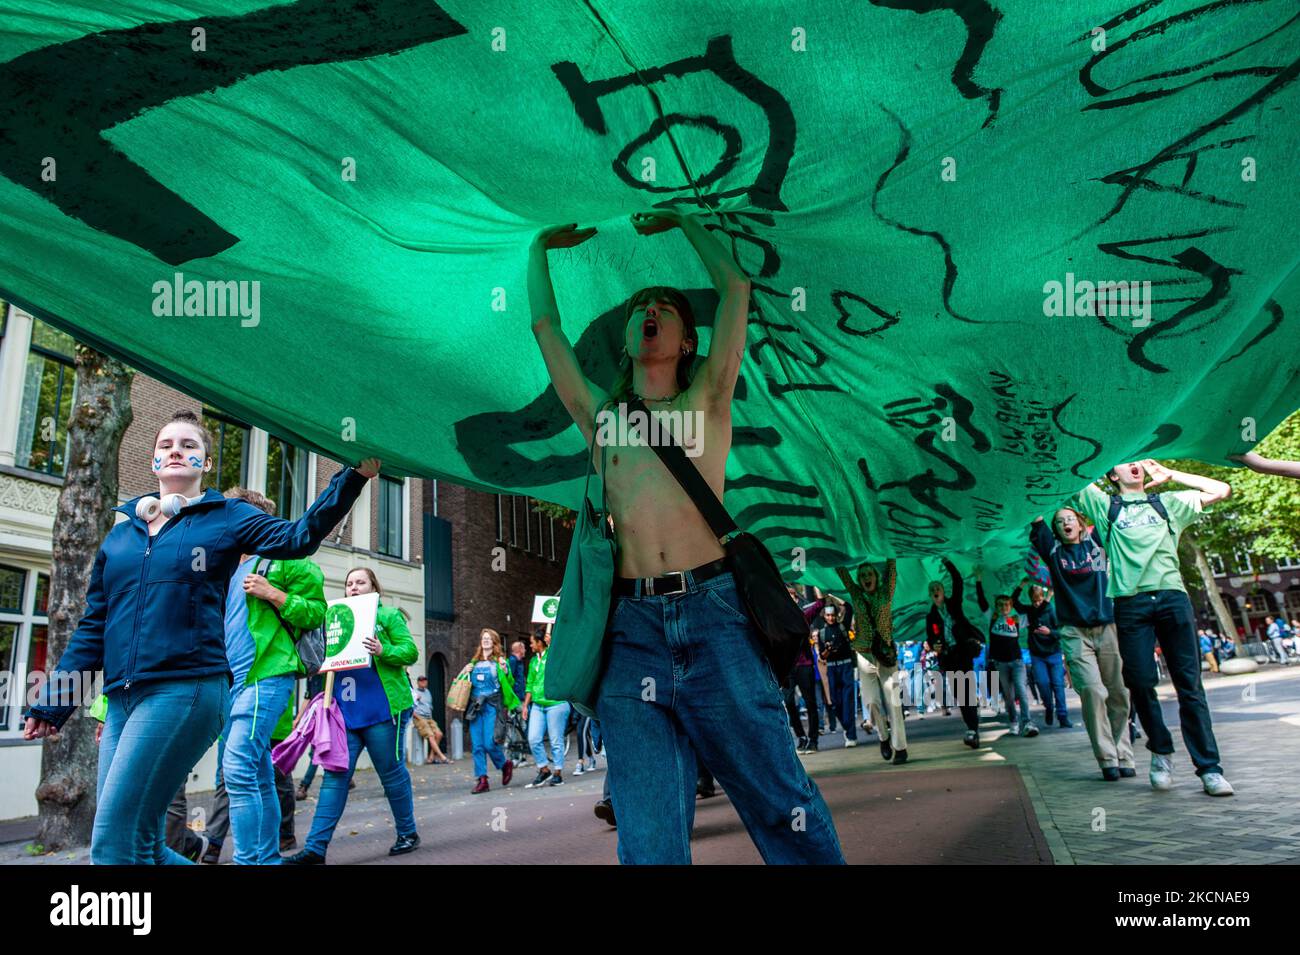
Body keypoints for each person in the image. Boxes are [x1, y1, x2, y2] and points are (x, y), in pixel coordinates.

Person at [529, 214, 843, 864]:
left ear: (685, 339)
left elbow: (734, 286)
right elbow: (546, 330)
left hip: (716, 619)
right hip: (631, 635)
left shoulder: (709, 397)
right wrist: (537, 250)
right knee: (647, 844)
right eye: (639, 307)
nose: (649, 311)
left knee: (782, 802)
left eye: (663, 308)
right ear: (626, 339)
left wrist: (686, 221)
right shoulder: (604, 418)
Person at [22, 410, 377, 864]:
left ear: (205, 464)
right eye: (167, 444)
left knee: (111, 844)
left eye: (189, 445)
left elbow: (298, 538)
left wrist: (353, 477)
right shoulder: (120, 537)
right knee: (144, 844)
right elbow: (93, 627)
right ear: (153, 461)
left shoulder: (227, 517)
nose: (176, 450)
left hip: (187, 689)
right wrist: (54, 701)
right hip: (123, 699)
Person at [1070, 459, 1234, 796]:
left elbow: (1221, 489)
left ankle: (1209, 769)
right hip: (1131, 605)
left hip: (1173, 599)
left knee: (1190, 685)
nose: (1134, 466)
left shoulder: (1168, 502)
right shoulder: (1104, 506)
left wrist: (1171, 475)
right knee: (1141, 683)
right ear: (1111, 474)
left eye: (1137, 462)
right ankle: (1161, 753)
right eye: (1124, 462)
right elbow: (1070, 474)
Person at [214, 487, 326, 865]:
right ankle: (266, 858)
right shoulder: (225, 568)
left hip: (268, 676)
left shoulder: (286, 559)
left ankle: (248, 861)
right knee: (259, 773)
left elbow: (315, 614)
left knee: (238, 766)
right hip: (230, 685)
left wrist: (274, 595)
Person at [286, 567, 421, 863]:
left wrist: (383, 650)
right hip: (345, 714)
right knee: (334, 777)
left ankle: (407, 833)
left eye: (361, 582)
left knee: (391, 773)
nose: (354, 587)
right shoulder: (335, 618)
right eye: (349, 583)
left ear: (374, 587)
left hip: (384, 711)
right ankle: (315, 849)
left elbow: (410, 652)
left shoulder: (387, 616)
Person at [1030, 510, 1133, 781]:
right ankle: (1107, 758)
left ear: (1080, 522)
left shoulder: (1097, 543)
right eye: (1059, 521)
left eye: (1070, 518)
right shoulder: (1053, 552)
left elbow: (1108, 509)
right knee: (1092, 690)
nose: (1066, 523)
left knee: (1118, 691)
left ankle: (1124, 753)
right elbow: (1035, 512)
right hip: (1074, 631)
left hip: (1107, 626)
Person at [837, 560, 907, 763]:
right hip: (864, 656)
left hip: (886, 656)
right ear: (859, 580)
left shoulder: (886, 593)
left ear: (877, 576)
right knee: (871, 703)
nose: (867, 578)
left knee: (894, 703)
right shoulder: (856, 594)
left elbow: (892, 569)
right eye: (863, 575)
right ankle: (883, 737)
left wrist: (889, 550)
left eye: (870, 574)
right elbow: (841, 570)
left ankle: (900, 748)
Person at [926, 560, 985, 747]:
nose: (936, 591)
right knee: (961, 695)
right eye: (933, 589)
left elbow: (958, 581)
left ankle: (972, 729)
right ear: (931, 595)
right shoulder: (931, 616)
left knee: (967, 690)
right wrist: (934, 645)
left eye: (938, 588)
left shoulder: (954, 605)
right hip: (948, 658)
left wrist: (948, 563)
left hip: (963, 653)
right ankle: (971, 726)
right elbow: (930, 637)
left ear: (943, 592)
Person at [977, 580, 1038, 738]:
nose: (1004, 607)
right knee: (1008, 696)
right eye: (1000, 605)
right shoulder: (992, 618)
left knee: (1021, 690)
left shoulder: (1016, 620)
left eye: (1007, 605)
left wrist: (1022, 587)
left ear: (1011, 607)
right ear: (996, 607)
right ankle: (1013, 721)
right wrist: (978, 580)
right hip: (1001, 664)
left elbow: (1034, 612)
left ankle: (1027, 722)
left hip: (1017, 662)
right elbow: (982, 601)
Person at [464, 628, 520, 794]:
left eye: (489, 639)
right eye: (483, 638)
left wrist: (506, 670)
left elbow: (509, 682)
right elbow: (467, 685)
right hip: (476, 707)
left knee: (490, 743)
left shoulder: (500, 662)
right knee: (477, 746)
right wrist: (466, 672)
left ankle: (504, 764)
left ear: (494, 642)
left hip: (491, 707)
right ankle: (482, 780)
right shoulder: (473, 663)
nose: (485, 641)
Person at [1012, 581, 1071, 727]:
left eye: (1039, 600)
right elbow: (1014, 602)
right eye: (1034, 601)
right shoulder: (1029, 611)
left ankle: (1063, 716)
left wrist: (1050, 632)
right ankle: (1049, 707)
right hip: (1037, 655)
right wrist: (1021, 585)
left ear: (1043, 597)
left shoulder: (1051, 610)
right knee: (1043, 684)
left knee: (1058, 684)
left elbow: (1062, 633)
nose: (1037, 603)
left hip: (1054, 653)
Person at [522, 629, 568, 787]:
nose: (530, 645)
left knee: (556, 740)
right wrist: (525, 705)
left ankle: (558, 773)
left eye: (532, 642)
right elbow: (529, 684)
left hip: (556, 703)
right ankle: (544, 769)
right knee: (533, 738)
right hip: (537, 704)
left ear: (540, 642)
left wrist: (552, 644)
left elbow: (562, 656)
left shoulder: (553, 656)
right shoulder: (533, 661)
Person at [816, 603, 858, 747]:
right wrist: (827, 650)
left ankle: (851, 735)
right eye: (828, 615)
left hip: (846, 666)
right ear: (824, 616)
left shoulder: (843, 626)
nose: (831, 618)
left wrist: (840, 598)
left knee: (848, 700)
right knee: (835, 703)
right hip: (832, 669)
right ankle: (847, 726)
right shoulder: (822, 633)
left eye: (833, 615)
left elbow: (850, 609)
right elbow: (822, 655)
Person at [412, 675, 449, 764]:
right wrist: (418, 718)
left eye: (425, 680)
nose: (423, 682)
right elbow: (411, 708)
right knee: (431, 736)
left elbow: (429, 706)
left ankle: (431, 757)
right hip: (419, 717)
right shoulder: (414, 693)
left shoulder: (428, 692)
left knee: (439, 734)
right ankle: (443, 757)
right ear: (418, 682)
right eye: (421, 681)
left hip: (429, 718)